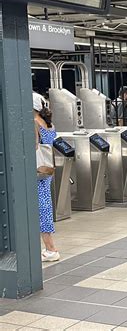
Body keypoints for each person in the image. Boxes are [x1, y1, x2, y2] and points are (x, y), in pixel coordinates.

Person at [33, 92, 60, 262]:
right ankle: (49, 247)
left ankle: (51, 248)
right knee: (45, 204)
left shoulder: (34, 123)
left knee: (41, 207)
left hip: (37, 169)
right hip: (47, 169)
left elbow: (33, 146)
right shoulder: (50, 124)